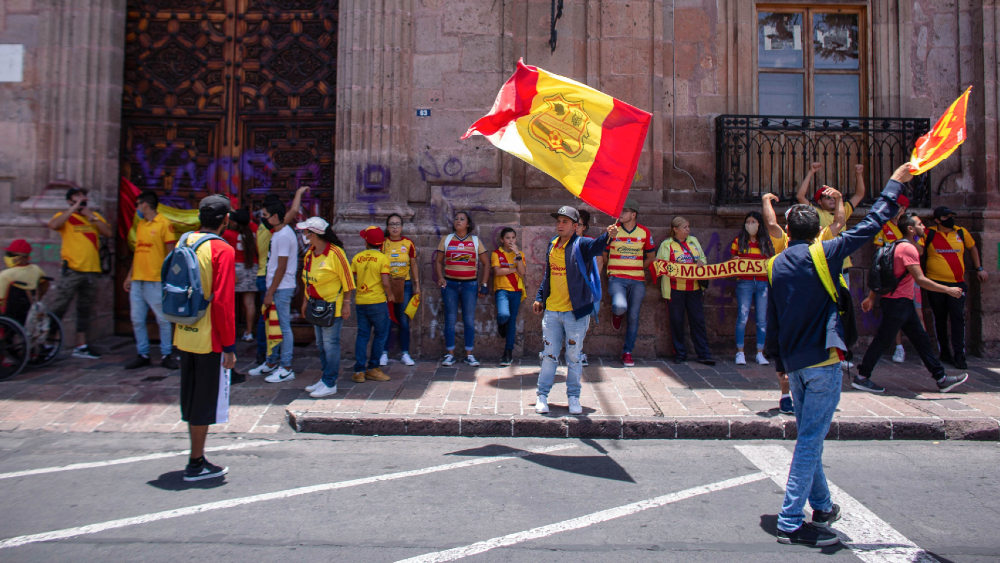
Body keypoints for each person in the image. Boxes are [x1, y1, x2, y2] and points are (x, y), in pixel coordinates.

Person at [765, 164, 910, 547]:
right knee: (811, 439)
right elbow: (873, 221)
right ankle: (791, 521)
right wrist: (894, 182)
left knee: (808, 435)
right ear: (818, 231)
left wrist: (778, 361)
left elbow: (773, 317)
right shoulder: (826, 253)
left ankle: (824, 506)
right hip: (823, 360)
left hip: (794, 363)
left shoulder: (776, 262)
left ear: (790, 232)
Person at [855, 213, 968, 394]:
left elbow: (885, 274)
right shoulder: (909, 249)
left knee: (921, 340)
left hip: (902, 303)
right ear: (910, 228)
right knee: (883, 340)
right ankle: (862, 376)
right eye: (920, 224)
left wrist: (871, 297)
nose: (924, 227)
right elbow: (920, 280)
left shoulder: (897, 246)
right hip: (897, 303)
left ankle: (941, 378)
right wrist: (948, 290)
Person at [173, 195, 236, 482]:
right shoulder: (222, 249)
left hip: (184, 331)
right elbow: (223, 302)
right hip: (209, 336)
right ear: (225, 220)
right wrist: (229, 346)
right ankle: (195, 463)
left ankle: (196, 455)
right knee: (204, 400)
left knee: (191, 395)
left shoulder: (184, 241)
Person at [533, 206, 616, 415]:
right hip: (552, 311)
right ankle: (542, 396)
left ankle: (573, 397)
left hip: (575, 313)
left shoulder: (582, 244)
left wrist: (608, 236)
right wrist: (539, 297)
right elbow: (548, 275)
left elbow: (598, 246)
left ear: (575, 226)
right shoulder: (552, 244)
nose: (560, 225)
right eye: (558, 221)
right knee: (549, 355)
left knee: (573, 356)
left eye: (565, 222)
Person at [47, 185, 111, 359]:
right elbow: (53, 225)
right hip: (73, 270)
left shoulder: (94, 217)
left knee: (84, 309)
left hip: (91, 270)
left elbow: (107, 232)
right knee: (60, 306)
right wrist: (73, 209)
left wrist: (91, 217)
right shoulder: (65, 217)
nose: (82, 198)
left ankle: (81, 345)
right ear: (69, 200)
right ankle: (48, 342)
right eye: (77, 196)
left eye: (83, 196)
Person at [922, 206, 987, 370]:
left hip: (957, 283)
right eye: (946, 217)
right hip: (936, 284)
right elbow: (917, 249)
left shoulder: (961, 232)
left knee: (958, 318)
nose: (950, 219)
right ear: (937, 220)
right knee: (940, 319)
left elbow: (972, 247)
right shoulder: (928, 233)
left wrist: (979, 268)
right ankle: (944, 352)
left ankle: (959, 354)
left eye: (951, 216)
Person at [248, 195, 303, 382]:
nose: (262, 218)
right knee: (273, 326)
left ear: (274, 217)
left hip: (282, 288)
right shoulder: (278, 233)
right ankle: (271, 362)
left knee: (283, 327)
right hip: (276, 286)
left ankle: (286, 366)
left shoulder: (285, 235)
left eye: (265, 215)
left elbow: (281, 266)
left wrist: (270, 292)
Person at [299, 217, 355, 398]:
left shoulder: (336, 253)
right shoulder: (309, 253)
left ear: (314, 234)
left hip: (333, 306)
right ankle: (324, 378)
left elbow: (348, 281)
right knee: (321, 344)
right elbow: (306, 280)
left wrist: (346, 304)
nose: (303, 235)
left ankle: (330, 382)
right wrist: (305, 302)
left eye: (306, 232)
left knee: (331, 344)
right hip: (316, 306)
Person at [123, 190, 178, 370]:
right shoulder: (140, 225)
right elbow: (138, 251)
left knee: (162, 319)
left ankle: (166, 353)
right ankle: (143, 353)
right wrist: (129, 275)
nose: (137, 208)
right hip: (138, 279)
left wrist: (171, 277)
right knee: (137, 319)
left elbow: (171, 253)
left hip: (155, 279)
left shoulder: (164, 224)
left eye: (138, 204)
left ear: (144, 204)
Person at [604, 198, 655, 367]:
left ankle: (627, 352)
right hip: (617, 277)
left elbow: (651, 256)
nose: (620, 214)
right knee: (620, 306)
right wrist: (609, 268)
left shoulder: (644, 232)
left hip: (637, 279)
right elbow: (603, 252)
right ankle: (617, 314)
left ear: (633, 214)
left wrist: (639, 268)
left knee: (634, 316)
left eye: (624, 211)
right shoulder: (613, 230)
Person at [656, 217, 714, 365]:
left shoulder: (693, 241)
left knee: (698, 321)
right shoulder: (666, 245)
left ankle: (703, 353)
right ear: (675, 229)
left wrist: (701, 263)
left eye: (688, 226)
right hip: (675, 290)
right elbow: (659, 264)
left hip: (694, 289)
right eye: (685, 227)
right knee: (676, 321)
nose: (688, 229)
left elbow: (703, 259)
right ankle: (680, 354)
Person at [871, 195, 921, 363]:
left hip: (912, 276)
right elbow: (878, 251)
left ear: (904, 208)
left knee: (918, 313)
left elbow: (920, 250)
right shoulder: (884, 227)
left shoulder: (912, 228)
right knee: (894, 319)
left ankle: (925, 351)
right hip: (892, 279)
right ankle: (899, 348)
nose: (895, 209)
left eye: (898, 206)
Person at [434, 211, 488, 367]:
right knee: (450, 320)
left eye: (462, 219)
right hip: (450, 285)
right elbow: (439, 261)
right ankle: (449, 354)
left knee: (469, 321)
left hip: (469, 285)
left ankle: (469, 354)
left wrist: (483, 284)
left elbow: (486, 263)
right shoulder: (447, 239)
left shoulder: (476, 241)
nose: (458, 221)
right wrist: (440, 277)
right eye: (456, 219)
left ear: (468, 224)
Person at [730, 211, 775, 367]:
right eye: (747, 221)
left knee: (762, 320)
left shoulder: (766, 243)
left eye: (753, 221)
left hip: (762, 283)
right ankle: (740, 352)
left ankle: (760, 353)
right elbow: (731, 262)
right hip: (745, 283)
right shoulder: (738, 241)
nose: (750, 225)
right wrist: (735, 260)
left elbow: (771, 261)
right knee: (742, 318)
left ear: (759, 224)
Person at [351, 226, 393, 383]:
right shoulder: (383, 259)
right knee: (380, 334)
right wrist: (390, 295)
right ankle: (373, 368)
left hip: (361, 301)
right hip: (378, 302)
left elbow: (352, 278)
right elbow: (385, 282)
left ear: (366, 242)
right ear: (381, 244)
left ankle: (359, 371)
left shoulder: (357, 257)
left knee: (362, 335)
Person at [380, 213, 420, 367]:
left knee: (403, 320)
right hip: (387, 286)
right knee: (387, 320)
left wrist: (417, 285)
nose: (395, 227)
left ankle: (405, 353)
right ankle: (384, 353)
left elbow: (414, 265)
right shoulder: (383, 244)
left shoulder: (408, 243)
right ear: (387, 227)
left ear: (402, 227)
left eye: (397, 224)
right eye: (391, 224)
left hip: (405, 285)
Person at [222, 208, 259, 343]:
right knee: (250, 303)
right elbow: (250, 224)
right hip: (252, 267)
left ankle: (230, 332)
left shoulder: (227, 234)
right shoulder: (254, 231)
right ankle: (249, 333)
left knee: (230, 304)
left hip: (235, 269)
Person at [492, 227, 525, 367]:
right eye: (507, 238)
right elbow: (498, 271)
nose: (511, 240)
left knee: (512, 322)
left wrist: (517, 254)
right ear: (502, 239)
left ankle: (508, 352)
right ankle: (501, 324)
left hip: (516, 290)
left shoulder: (520, 254)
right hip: (501, 289)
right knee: (504, 314)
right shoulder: (496, 254)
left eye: (513, 238)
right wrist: (514, 269)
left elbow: (522, 272)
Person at [573, 210, 602, 367]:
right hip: (568, 289)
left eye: (579, 225)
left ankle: (578, 350)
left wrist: (591, 284)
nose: (576, 227)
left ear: (584, 227)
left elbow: (600, 263)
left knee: (584, 320)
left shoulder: (589, 242)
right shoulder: (561, 242)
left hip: (586, 289)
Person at [0, 240, 50, 324]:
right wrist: (38, 299)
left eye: (10, 255)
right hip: (27, 313)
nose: (7, 257)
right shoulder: (36, 269)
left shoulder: (6, 275)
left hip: (7, 315)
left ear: (21, 257)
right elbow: (45, 283)